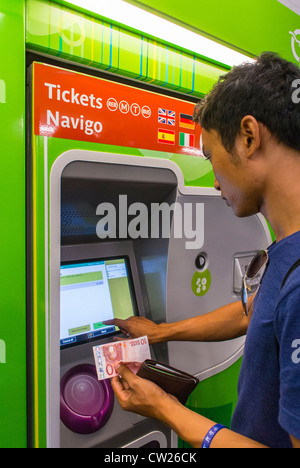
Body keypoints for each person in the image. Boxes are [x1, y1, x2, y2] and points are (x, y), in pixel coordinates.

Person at [107, 52, 300, 448]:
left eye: (212, 158)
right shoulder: (287, 252)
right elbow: (255, 315)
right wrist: (162, 331)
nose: (214, 182)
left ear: (249, 137)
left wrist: (165, 409)